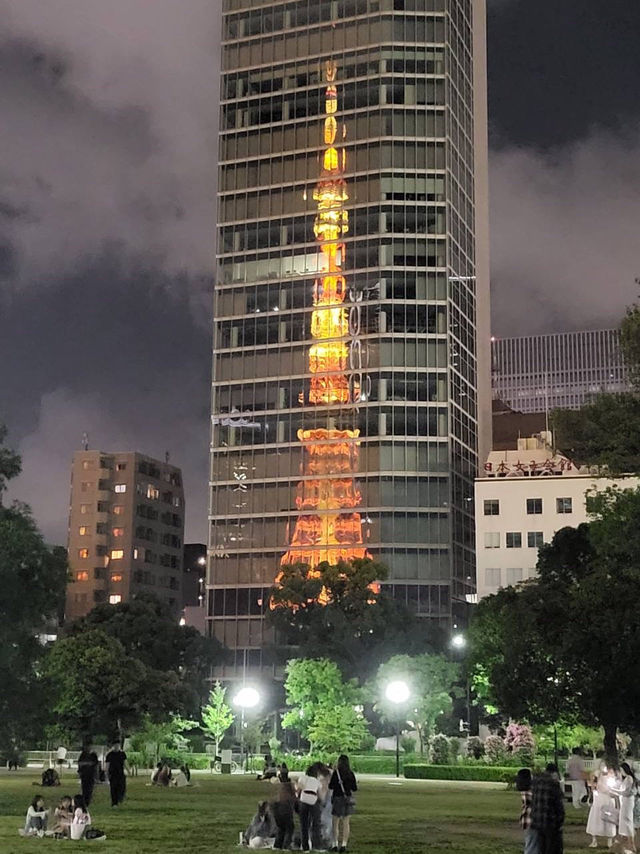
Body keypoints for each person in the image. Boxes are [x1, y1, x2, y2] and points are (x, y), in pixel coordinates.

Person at [530, 763, 564, 854]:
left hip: (536, 819)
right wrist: (560, 821)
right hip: (550, 820)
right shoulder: (553, 784)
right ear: (554, 773)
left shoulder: (535, 782)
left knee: (541, 847)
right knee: (552, 847)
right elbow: (558, 805)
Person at [329, 755, 358, 853]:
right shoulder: (350, 774)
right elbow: (354, 788)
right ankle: (344, 844)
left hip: (337, 798)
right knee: (346, 823)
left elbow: (331, 786)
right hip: (347, 799)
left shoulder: (336, 773)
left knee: (335, 823)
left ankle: (334, 844)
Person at [609, 762, 636, 853]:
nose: (621, 772)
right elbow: (622, 792)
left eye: (621, 770)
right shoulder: (626, 779)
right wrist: (615, 791)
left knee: (627, 821)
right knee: (624, 822)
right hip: (624, 802)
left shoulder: (629, 778)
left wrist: (614, 790)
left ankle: (631, 844)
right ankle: (624, 844)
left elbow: (626, 793)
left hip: (627, 803)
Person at [586, 768, 617, 848]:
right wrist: (593, 788)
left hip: (608, 797)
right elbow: (591, 774)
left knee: (609, 818)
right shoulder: (599, 772)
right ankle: (594, 840)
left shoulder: (612, 774)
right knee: (596, 817)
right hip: (599, 797)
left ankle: (609, 841)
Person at [297, 764, 323, 852]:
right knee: (315, 824)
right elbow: (320, 796)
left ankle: (305, 846)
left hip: (303, 800)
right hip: (313, 801)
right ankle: (316, 845)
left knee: (304, 824)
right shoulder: (317, 781)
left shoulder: (303, 778)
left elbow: (298, 789)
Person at [516, 768, 539, 854]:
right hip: (531, 821)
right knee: (531, 847)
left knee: (531, 845)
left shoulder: (525, 790)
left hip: (528, 821)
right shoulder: (527, 792)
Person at [271, 780, 296, 850]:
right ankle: (286, 845)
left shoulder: (279, 796)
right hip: (286, 812)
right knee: (290, 828)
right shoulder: (291, 797)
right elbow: (297, 807)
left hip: (276, 812)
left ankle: (277, 845)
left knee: (281, 829)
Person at [105, 742, 127, 807]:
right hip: (113, 774)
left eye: (118, 745)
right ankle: (114, 802)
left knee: (121, 787)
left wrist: (129, 771)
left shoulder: (122, 754)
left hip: (120, 774)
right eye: (115, 745)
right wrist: (106, 773)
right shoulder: (109, 755)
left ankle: (120, 798)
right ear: (113, 746)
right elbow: (107, 765)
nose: (116, 747)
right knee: (113, 788)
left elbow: (125, 762)